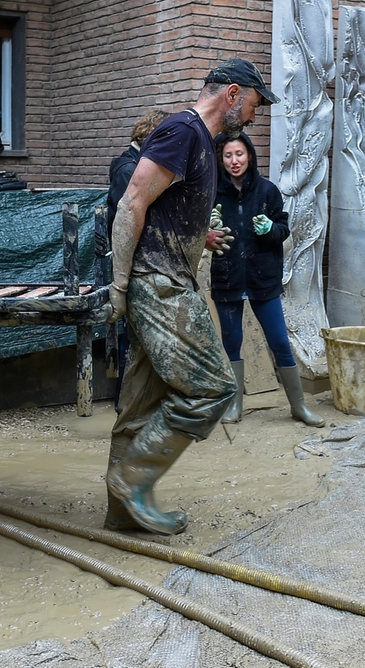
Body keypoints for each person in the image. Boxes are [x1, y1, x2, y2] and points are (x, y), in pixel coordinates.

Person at [106, 58, 271, 535]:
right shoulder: (183, 131)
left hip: (165, 280)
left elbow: (164, 213)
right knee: (214, 386)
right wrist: (120, 285)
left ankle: (122, 512)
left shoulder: (201, 141)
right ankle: (131, 481)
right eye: (255, 104)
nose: (255, 118)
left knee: (140, 401)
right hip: (159, 284)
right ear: (234, 94)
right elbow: (131, 202)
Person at [210, 131, 324, 427]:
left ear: (250, 156)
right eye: (228, 156)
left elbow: (284, 229)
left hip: (263, 280)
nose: (235, 161)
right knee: (232, 344)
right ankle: (235, 406)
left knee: (280, 343)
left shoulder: (266, 191)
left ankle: (298, 407)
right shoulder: (213, 193)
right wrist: (207, 232)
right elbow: (199, 233)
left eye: (240, 154)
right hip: (228, 280)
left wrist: (270, 229)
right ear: (221, 160)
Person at [106, 108, 169, 408]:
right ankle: (125, 403)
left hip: (137, 264)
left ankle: (135, 401)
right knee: (132, 336)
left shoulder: (132, 165)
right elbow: (129, 221)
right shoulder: (128, 170)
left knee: (138, 335)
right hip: (131, 265)